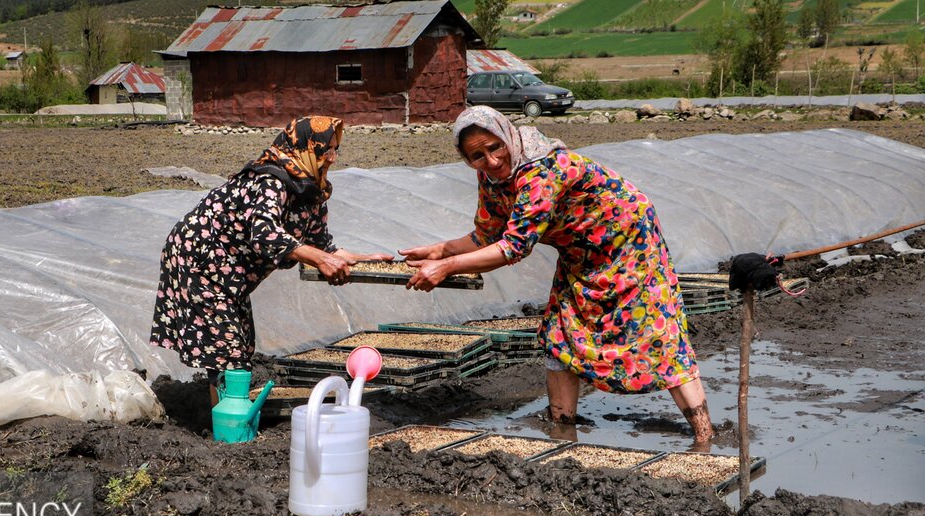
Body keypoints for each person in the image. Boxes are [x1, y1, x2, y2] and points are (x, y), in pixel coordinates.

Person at [400, 105, 714, 446]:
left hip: (629, 242)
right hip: (579, 251)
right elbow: (487, 235)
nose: (490, 161)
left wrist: (447, 267)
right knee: (559, 333)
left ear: (507, 136)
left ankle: (704, 435)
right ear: (466, 158)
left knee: (658, 333)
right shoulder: (492, 178)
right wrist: (440, 250)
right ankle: (562, 430)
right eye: (477, 155)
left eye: (495, 147)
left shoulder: (542, 169)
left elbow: (514, 247)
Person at [151, 116, 392, 407]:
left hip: (230, 269)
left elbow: (323, 246)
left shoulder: (311, 190)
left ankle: (228, 414)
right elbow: (265, 233)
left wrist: (365, 260)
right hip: (200, 258)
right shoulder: (271, 179)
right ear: (304, 146)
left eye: (335, 149)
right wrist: (320, 258)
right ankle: (228, 426)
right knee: (227, 349)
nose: (332, 158)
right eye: (325, 149)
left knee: (240, 343)